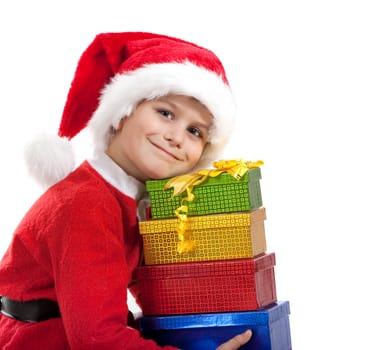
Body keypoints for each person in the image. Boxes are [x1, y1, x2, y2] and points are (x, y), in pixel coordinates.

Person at [0, 32, 252, 349]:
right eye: (166, 113)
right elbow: (98, 338)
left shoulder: (127, 199)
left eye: (194, 131)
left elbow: (148, 287)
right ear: (121, 114)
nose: (177, 137)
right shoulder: (86, 203)